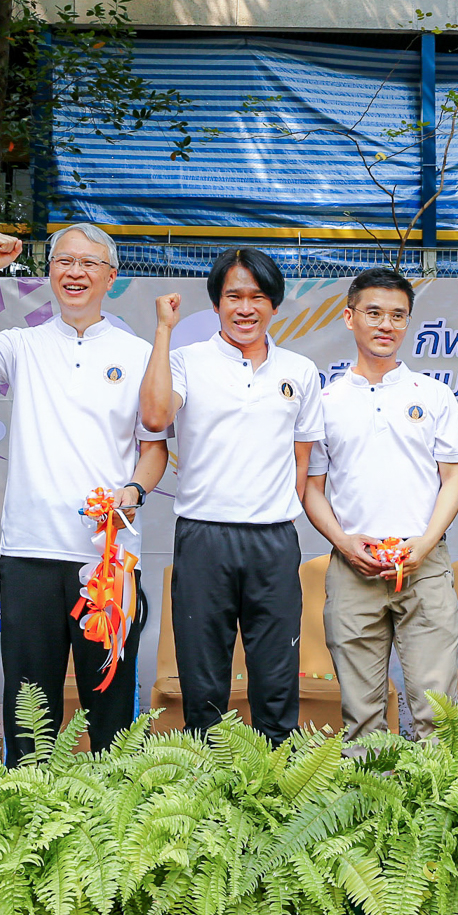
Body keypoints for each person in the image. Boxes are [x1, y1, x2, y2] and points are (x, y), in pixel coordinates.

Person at [0, 224, 170, 761]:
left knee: (111, 710)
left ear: (111, 277)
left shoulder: (138, 353)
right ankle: (28, 803)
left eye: (89, 263)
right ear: (49, 273)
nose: (75, 272)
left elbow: (154, 446)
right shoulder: (22, 344)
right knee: (30, 709)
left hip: (108, 559)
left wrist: (134, 489)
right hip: (29, 553)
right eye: (64, 261)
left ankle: (113, 807)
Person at [141, 246, 324, 743]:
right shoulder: (185, 361)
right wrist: (164, 330)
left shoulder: (299, 370)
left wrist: (276, 511)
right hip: (203, 538)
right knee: (203, 679)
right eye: (234, 296)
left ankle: (276, 778)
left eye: (258, 297)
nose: (246, 308)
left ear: (275, 304)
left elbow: (302, 459)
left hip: (273, 541)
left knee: (276, 676)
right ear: (216, 303)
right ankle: (210, 778)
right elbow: (155, 418)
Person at [304, 268, 458, 749]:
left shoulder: (432, 394)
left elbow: (455, 477)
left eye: (398, 316)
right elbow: (311, 487)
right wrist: (343, 543)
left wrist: (426, 544)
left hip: (424, 565)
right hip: (354, 565)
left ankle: (436, 794)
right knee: (360, 714)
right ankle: (368, 794)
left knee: (436, 710)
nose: (386, 325)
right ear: (349, 316)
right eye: (373, 313)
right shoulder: (326, 400)